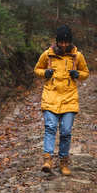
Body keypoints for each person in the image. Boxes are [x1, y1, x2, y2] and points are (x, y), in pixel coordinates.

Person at [34, 24, 89, 175]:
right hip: (50, 96)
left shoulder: (77, 56)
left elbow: (86, 72)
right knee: (50, 127)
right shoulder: (47, 55)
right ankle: (47, 161)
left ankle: (64, 163)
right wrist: (45, 73)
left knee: (65, 131)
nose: (63, 45)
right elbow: (37, 69)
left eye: (66, 42)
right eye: (61, 42)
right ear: (56, 41)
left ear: (70, 42)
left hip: (69, 98)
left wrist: (78, 74)